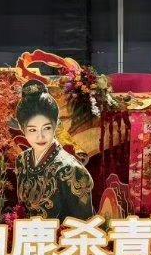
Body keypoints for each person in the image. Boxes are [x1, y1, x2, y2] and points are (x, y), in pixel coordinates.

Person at [14, 80, 95, 221]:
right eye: (32, 130)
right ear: (22, 129)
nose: (40, 136)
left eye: (46, 128)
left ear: (56, 125)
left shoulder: (70, 169)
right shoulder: (22, 160)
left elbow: (84, 224)